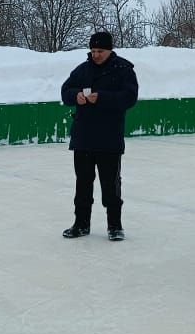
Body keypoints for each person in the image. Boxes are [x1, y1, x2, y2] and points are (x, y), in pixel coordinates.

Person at [59, 32, 139, 241]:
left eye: (100, 51)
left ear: (110, 50)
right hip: (83, 137)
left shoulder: (123, 69)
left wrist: (102, 97)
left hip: (109, 138)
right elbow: (65, 90)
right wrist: (75, 95)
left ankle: (115, 226)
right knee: (83, 184)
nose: (96, 55)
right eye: (93, 51)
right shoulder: (82, 70)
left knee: (111, 185)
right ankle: (81, 224)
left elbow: (130, 97)